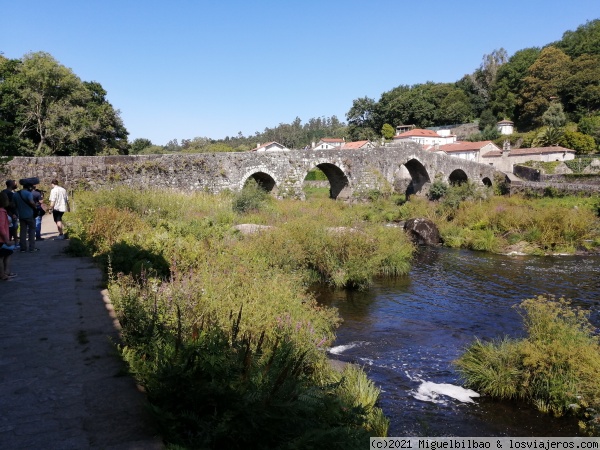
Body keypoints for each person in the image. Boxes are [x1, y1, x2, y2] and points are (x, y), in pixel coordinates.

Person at [12, 182, 38, 253]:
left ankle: (23, 248)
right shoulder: (29, 194)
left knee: (22, 232)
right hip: (30, 215)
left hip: (21, 215)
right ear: (29, 187)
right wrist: (35, 206)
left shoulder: (15, 194)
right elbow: (31, 202)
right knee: (32, 231)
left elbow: (13, 205)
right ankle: (32, 248)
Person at [0, 192, 16, 279]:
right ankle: (3, 274)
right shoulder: (1, 211)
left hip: (3, 238)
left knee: (5, 255)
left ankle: (5, 273)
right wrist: (7, 240)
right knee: (3, 256)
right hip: (2, 239)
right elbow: (1, 227)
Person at [1, 180, 19, 249]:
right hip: (11, 213)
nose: (16, 184)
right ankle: (13, 243)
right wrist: (14, 213)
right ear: (11, 184)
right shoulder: (10, 194)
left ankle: (9, 242)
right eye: (14, 183)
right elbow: (11, 205)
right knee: (13, 228)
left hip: (8, 213)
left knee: (10, 228)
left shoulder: (3, 192)